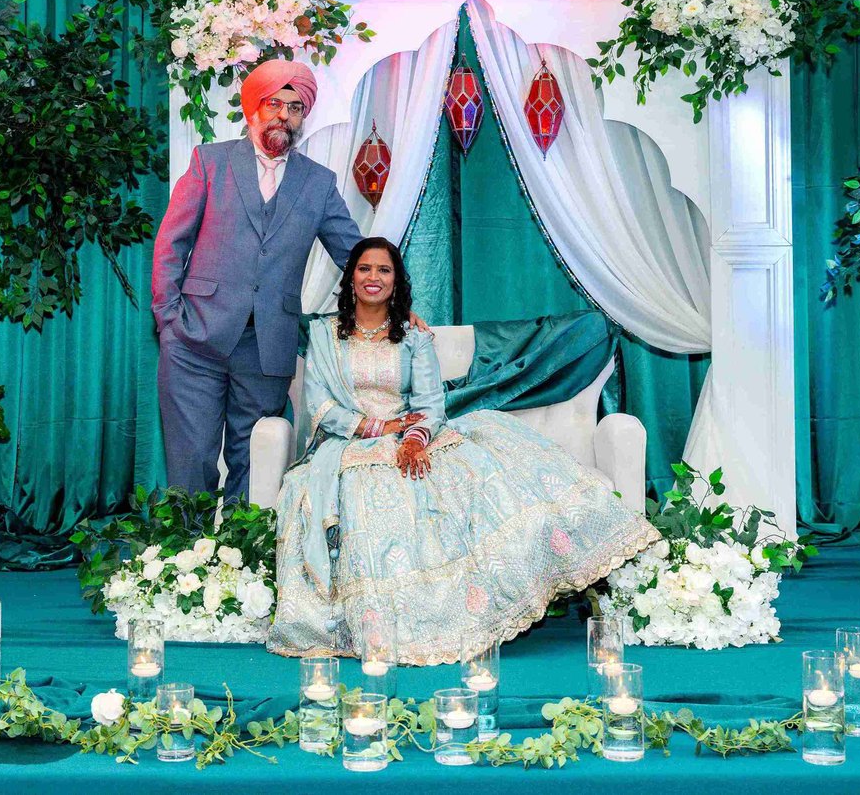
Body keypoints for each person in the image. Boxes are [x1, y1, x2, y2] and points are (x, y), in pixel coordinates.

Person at [267, 237, 660, 664]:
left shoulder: (413, 337)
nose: (373, 277)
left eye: (384, 270)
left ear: (396, 281)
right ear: (350, 278)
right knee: (366, 493)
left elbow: (430, 403)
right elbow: (320, 404)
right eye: (364, 268)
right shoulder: (325, 335)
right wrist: (377, 428)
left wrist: (414, 439)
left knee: (473, 478)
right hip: (351, 443)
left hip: (413, 436)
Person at [152, 59, 360, 499]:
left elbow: (356, 254)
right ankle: (185, 544)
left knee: (255, 464)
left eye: (295, 107)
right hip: (195, 339)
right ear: (254, 109)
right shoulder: (210, 162)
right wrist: (168, 319)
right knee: (191, 460)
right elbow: (171, 243)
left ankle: (242, 545)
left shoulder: (319, 183)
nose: (284, 115)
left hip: (267, 347)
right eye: (274, 104)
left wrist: (400, 302)